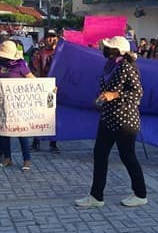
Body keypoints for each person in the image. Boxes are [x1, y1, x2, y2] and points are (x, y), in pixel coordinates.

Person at [75, 36, 147, 208]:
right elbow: (108, 88)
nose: (105, 49)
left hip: (124, 120)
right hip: (109, 117)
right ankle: (96, 196)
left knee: (127, 156)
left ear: (119, 51)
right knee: (99, 154)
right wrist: (102, 98)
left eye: (109, 48)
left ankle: (140, 194)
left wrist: (115, 95)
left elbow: (138, 93)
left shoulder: (127, 66)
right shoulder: (111, 66)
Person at [0, 40, 34, 171]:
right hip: (1, 103)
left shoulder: (20, 64)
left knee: (21, 132)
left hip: (17, 104)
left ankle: (26, 160)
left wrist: (49, 87)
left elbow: (31, 78)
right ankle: (7, 158)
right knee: (3, 132)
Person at [30, 29, 60, 152]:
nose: (51, 39)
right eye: (48, 37)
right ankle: (36, 141)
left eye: (53, 37)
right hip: (43, 88)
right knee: (40, 115)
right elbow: (34, 70)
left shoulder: (61, 54)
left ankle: (53, 143)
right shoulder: (39, 54)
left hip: (56, 89)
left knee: (54, 116)